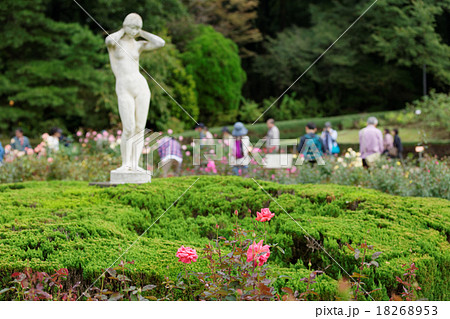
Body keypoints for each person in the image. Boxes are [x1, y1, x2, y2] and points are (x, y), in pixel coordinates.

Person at [106, 13, 165, 172]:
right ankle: (125, 163)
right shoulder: (115, 43)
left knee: (139, 127)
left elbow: (160, 43)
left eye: (138, 27)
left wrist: (141, 32)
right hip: (124, 87)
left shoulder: (138, 45)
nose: (135, 30)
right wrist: (124, 29)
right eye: (133, 27)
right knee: (129, 127)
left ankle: (135, 164)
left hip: (140, 86)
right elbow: (109, 40)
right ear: (125, 25)